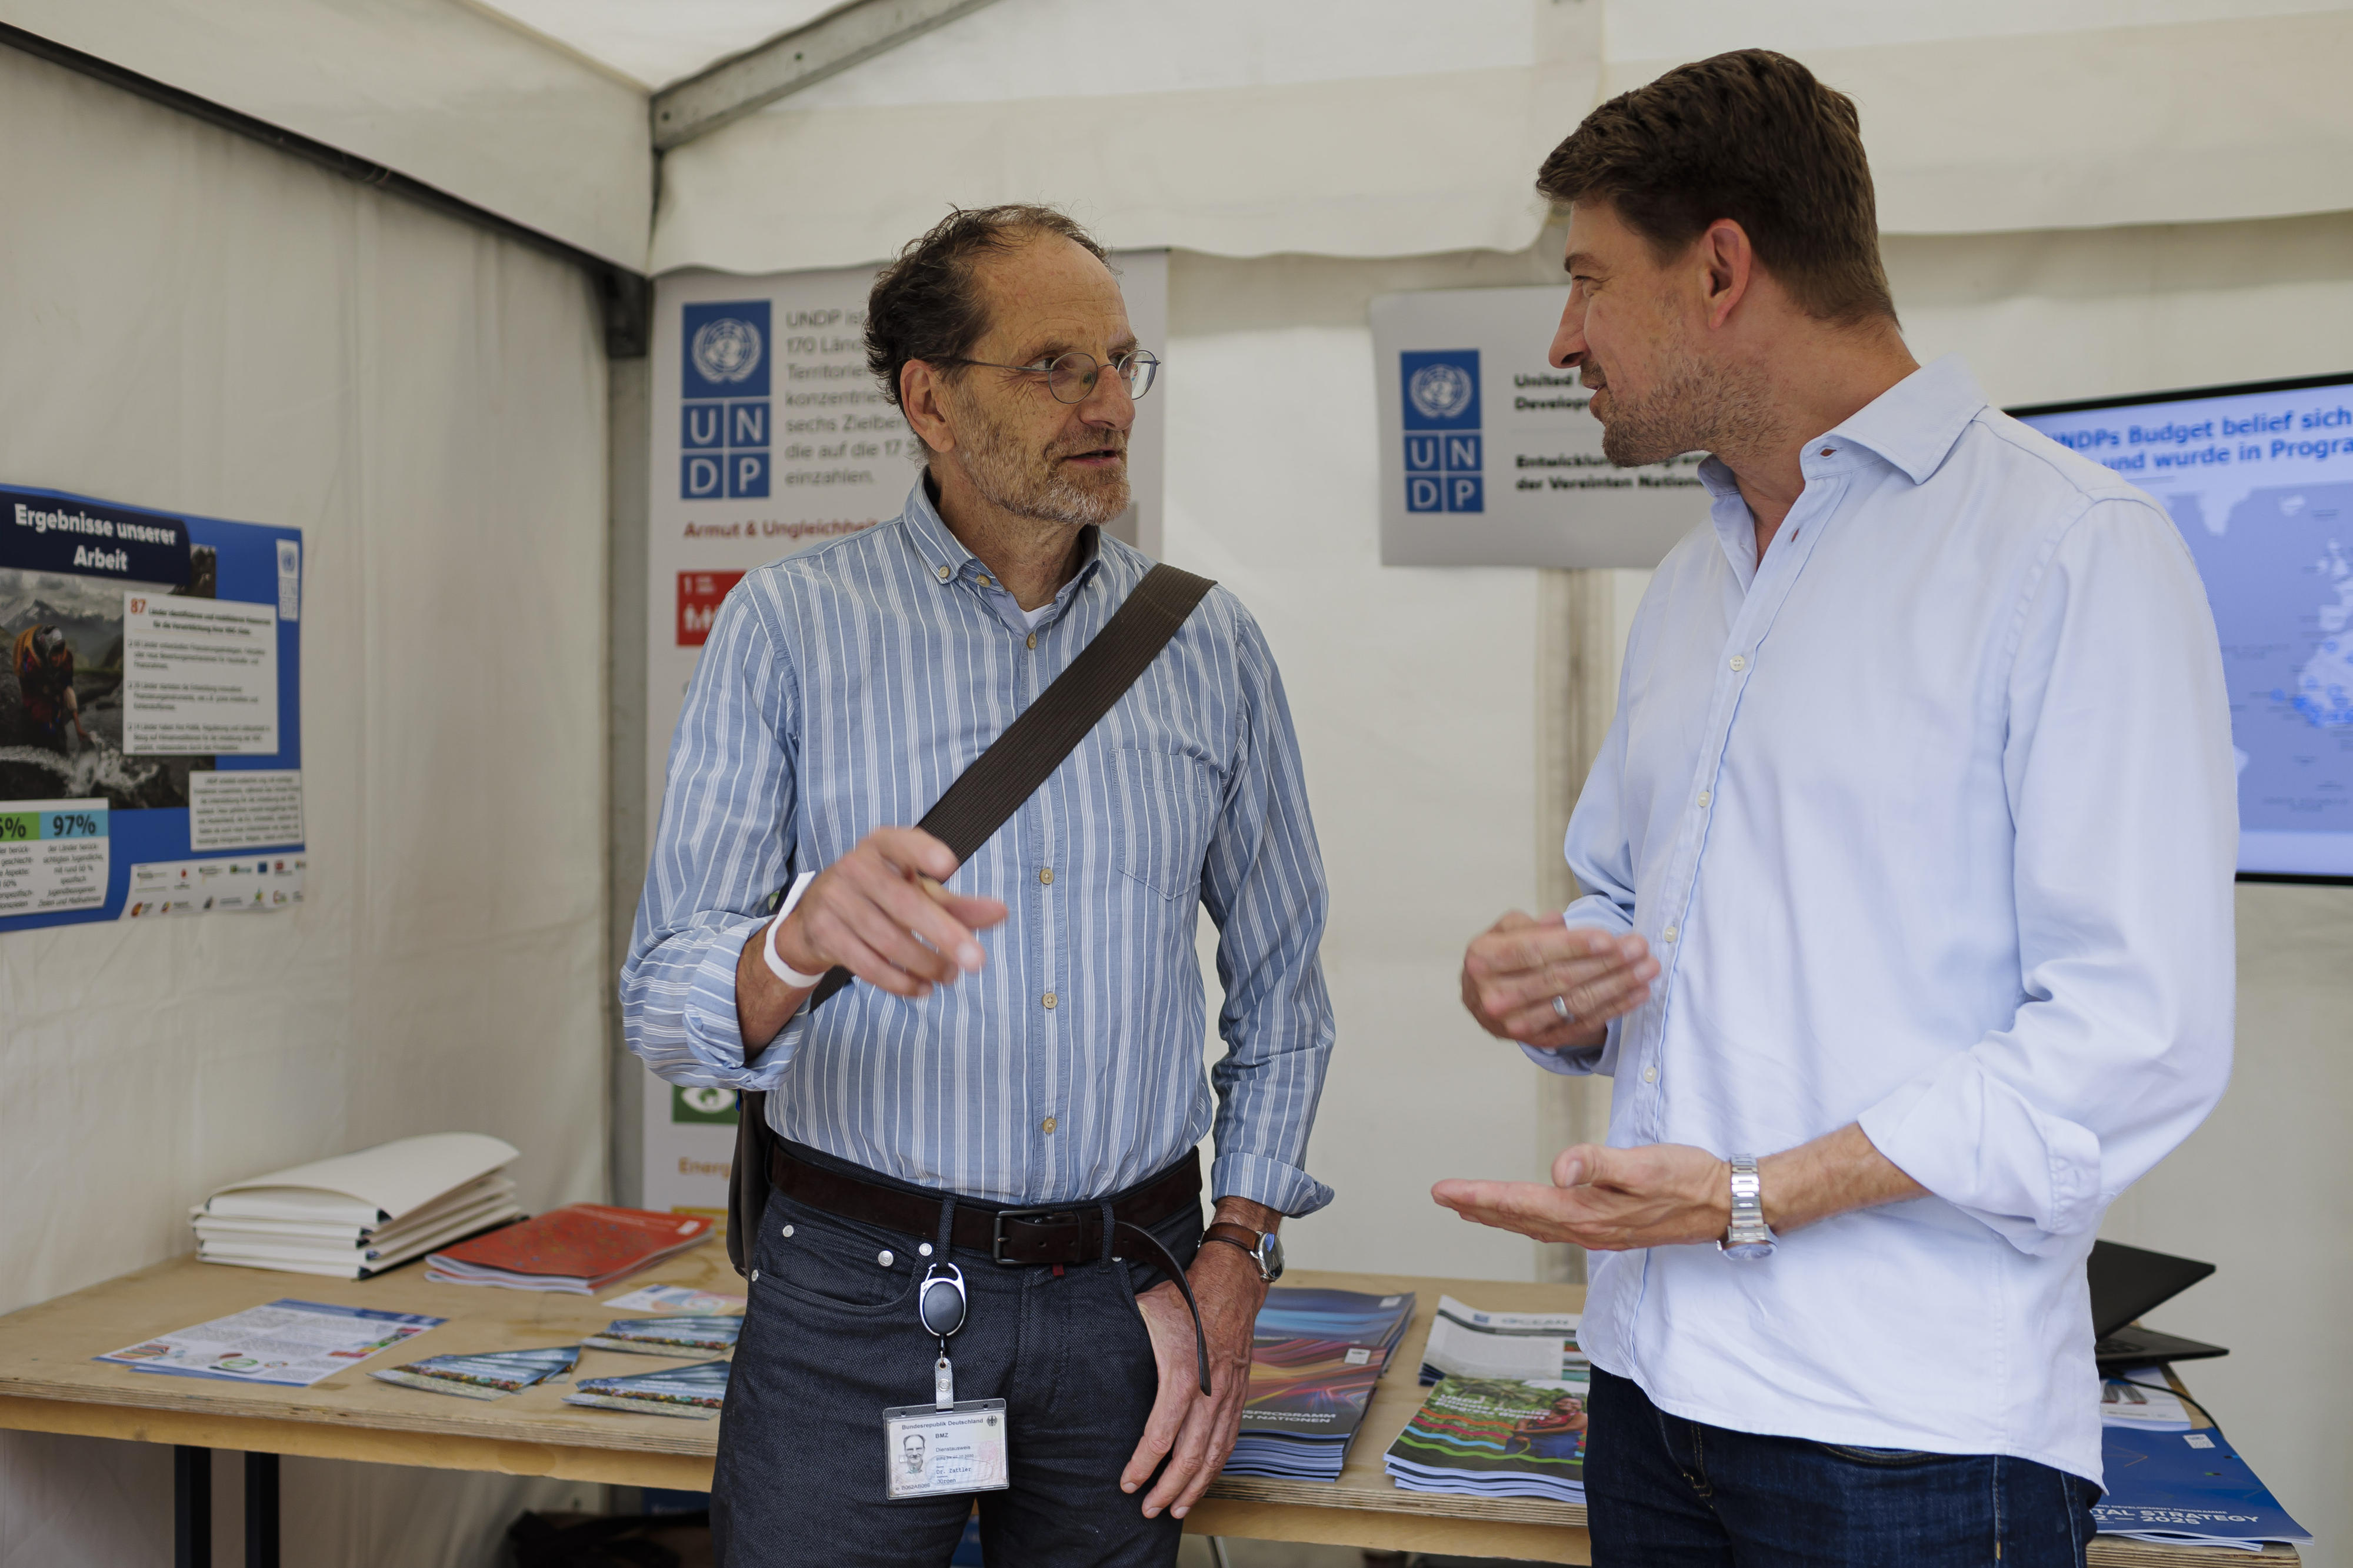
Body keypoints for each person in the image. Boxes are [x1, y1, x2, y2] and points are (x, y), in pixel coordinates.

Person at [1435, 49, 2234, 1567]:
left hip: (1908, 1433)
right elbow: (1623, 903)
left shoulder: (2070, 550)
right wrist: (1551, 986)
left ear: (1720, 268)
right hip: (1650, 1393)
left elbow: (2134, 1029)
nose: (1561, 337)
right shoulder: (1690, 581)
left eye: (1590, 282)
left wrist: (1754, 1195)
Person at [624, 204, 1335, 1568]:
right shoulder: (787, 624)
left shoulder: (1209, 643)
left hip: (1133, 1290)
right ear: (930, 400)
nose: (1109, 400)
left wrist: (1238, 1246)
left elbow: (1285, 988)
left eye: (1123, 362)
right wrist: (792, 938)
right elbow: (666, 1004)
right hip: (852, 1291)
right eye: (1056, 364)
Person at [11, 625, 89, 750]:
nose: (58, 659)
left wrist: (78, 727)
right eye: (54, 655)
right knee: (45, 727)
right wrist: (48, 691)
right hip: (35, 688)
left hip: (51, 684)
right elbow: (36, 688)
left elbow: (67, 689)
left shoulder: (66, 658)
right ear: (46, 651)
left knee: (58, 725)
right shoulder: (32, 663)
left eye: (60, 654)